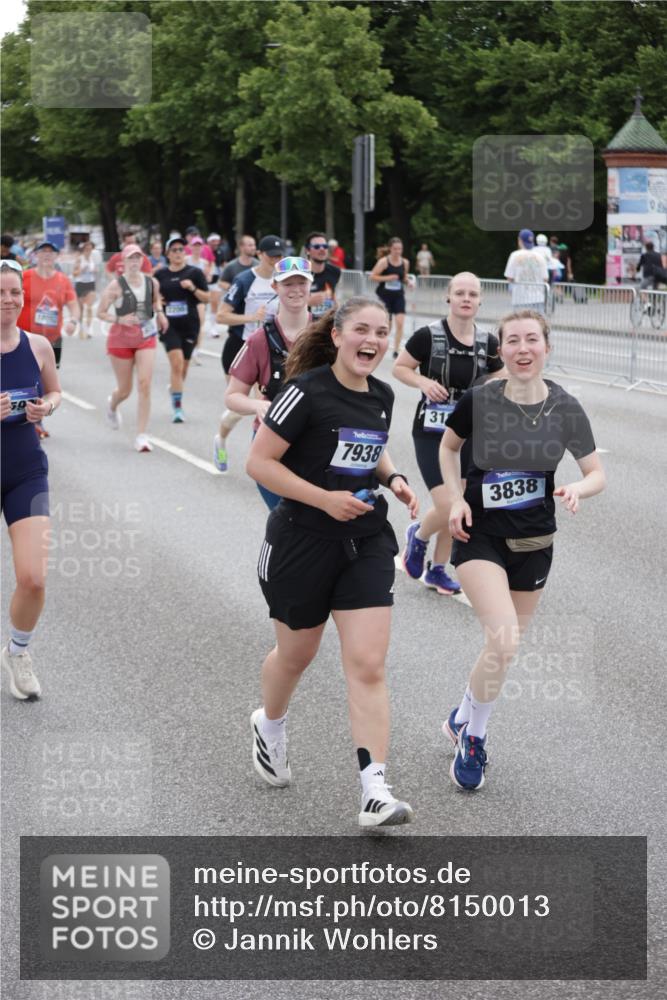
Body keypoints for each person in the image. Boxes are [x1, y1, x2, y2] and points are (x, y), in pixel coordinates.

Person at [245, 296, 419, 827]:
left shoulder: (384, 395)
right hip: (302, 540)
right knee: (296, 655)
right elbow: (259, 463)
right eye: (362, 329)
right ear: (338, 335)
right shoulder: (303, 392)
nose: (372, 339)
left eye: (381, 331)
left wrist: (392, 478)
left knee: (367, 664)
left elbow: (371, 445)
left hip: (365, 538)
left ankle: (375, 791)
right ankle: (269, 724)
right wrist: (322, 499)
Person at [439, 310, 606, 791]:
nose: (522, 348)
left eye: (532, 339)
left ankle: (460, 717)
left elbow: (597, 472)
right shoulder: (480, 399)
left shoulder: (565, 406)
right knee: (506, 638)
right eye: (512, 340)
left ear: (546, 347)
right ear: (502, 351)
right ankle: (475, 737)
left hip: (535, 540)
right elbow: (448, 449)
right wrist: (453, 498)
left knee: (501, 649)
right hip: (480, 537)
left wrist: (579, 488)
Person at [394, 272, 504, 595]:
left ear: (480, 300)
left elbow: (501, 375)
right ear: (449, 297)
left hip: (469, 430)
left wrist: (491, 390)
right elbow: (400, 367)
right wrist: (423, 382)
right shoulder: (427, 336)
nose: (466, 299)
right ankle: (419, 536)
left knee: (462, 502)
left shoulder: (488, 342)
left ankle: (438, 569)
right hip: (431, 429)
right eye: (460, 293)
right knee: (447, 503)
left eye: (472, 294)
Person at [1, 260, 61, 700]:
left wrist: (48, 408)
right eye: (1, 293)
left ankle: (18, 652)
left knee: (34, 578)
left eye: (14, 293)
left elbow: (54, 391)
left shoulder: (38, 345)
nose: (8, 300)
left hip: (25, 469)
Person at [224, 256, 313, 503]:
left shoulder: (328, 336)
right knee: (285, 521)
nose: (296, 290)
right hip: (271, 442)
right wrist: (258, 405)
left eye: (301, 283)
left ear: (310, 286)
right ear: (275, 287)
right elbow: (232, 397)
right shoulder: (258, 340)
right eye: (288, 284)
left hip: (316, 438)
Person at [213, 236, 283, 471]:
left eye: (279, 256)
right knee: (240, 407)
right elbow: (221, 315)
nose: (276, 260)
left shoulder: (283, 281)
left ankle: (265, 462)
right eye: (272, 256)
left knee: (266, 405)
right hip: (241, 347)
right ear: (260, 255)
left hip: (271, 351)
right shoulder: (244, 280)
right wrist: (251, 318)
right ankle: (221, 439)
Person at [97, 244, 168, 451]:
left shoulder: (152, 282)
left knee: (145, 384)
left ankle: (142, 435)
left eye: (138, 258)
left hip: (146, 338)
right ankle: (112, 404)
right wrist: (120, 318)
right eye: (130, 258)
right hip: (120, 340)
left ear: (142, 261)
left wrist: (161, 314)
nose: (134, 262)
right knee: (125, 390)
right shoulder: (115, 286)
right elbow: (100, 313)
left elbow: (156, 303)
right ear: (124, 262)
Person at [154, 236, 210, 422]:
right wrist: (157, 301)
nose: (178, 253)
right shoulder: (160, 275)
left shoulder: (194, 273)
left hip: (190, 326)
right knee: (176, 364)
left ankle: (175, 389)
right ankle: (177, 409)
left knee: (183, 369)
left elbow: (206, 298)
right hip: (168, 325)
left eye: (180, 250)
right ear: (167, 254)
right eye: (174, 250)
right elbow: (153, 298)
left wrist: (193, 288)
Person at [370, 236, 411, 358]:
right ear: (390, 249)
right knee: (387, 324)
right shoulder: (384, 262)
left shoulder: (405, 262)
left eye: (400, 249)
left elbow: (404, 277)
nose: (398, 251)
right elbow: (372, 276)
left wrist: (409, 282)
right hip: (385, 296)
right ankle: (382, 345)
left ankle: (396, 350)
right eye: (395, 249)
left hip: (398, 295)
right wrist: (387, 278)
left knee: (400, 323)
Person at [504, 229, 548, 313]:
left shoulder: (514, 255)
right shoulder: (540, 256)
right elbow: (545, 278)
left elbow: (509, 277)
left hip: (520, 298)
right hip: (538, 298)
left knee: (520, 324)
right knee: (538, 324)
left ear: (519, 240)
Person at [305, 231, 341, 319]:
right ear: (307, 251)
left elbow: (334, 295)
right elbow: (286, 303)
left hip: (326, 324)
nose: (322, 249)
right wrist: (307, 302)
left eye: (325, 246)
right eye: (317, 247)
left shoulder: (335, 271)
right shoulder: (300, 274)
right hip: (304, 324)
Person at [72, 240, 101, 338]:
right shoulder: (79, 259)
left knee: (89, 307)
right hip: (80, 284)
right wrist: (81, 270)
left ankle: (89, 329)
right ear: (83, 249)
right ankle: (81, 327)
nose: (89, 251)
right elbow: (74, 273)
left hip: (90, 284)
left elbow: (98, 271)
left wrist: (95, 271)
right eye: (87, 249)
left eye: (90, 249)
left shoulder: (94, 259)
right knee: (81, 308)